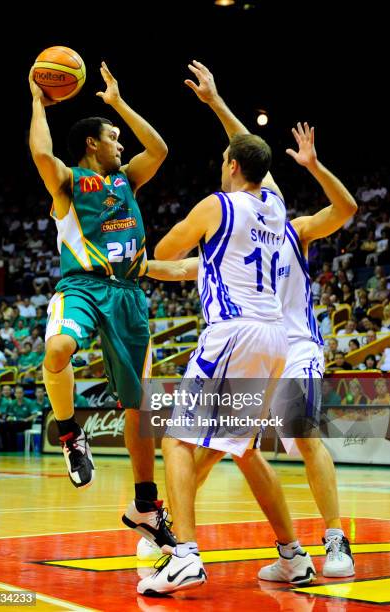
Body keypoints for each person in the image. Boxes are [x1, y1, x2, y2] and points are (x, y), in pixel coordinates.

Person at [142, 61, 357, 589]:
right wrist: (216, 102)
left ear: (233, 168)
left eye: (226, 161)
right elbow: (249, 158)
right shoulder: (272, 210)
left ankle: (188, 549)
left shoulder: (282, 220)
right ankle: (291, 553)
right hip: (270, 342)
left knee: (186, 436)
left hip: (272, 339)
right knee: (240, 447)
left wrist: (138, 255)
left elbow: (338, 204)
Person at [29, 61, 175, 549]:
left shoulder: (128, 180)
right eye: (114, 136)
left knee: (139, 407)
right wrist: (37, 100)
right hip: (83, 286)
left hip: (131, 295)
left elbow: (159, 149)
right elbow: (41, 152)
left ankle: (148, 506)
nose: (122, 144)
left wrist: (117, 105)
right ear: (92, 143)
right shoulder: (68, 184)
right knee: (57, 348)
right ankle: (71, 434)